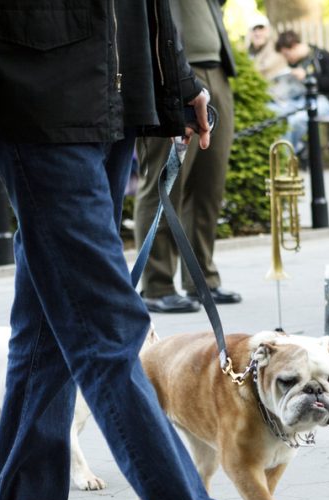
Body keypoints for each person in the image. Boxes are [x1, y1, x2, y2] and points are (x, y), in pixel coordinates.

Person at [0, 0, 298, 500]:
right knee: (107, 328)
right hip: (34, 91)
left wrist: (175, 79)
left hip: (115, 85)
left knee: (49, 327)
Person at [134, 0, 241, 314]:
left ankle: (201, 279)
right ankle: (157, 284)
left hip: (215, 70)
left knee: (208, 187)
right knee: (164, 184)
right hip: (173, 71)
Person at [273, 30, 329, 156]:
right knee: (280, 114)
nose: (287, 59)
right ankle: (296, 150)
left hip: (326, 101)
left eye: (287, 54)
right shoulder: (294, 64)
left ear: (294, 46)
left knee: (295, 120)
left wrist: (308, 76)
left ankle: (288, 158)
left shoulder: (322, 56)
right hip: (302, 101)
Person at [246, 13, 285, 82]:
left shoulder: (276, 48)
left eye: (261, 28)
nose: (257, 33)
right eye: (254, 30)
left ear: (268, 30)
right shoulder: (249, 51)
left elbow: (264, 69)